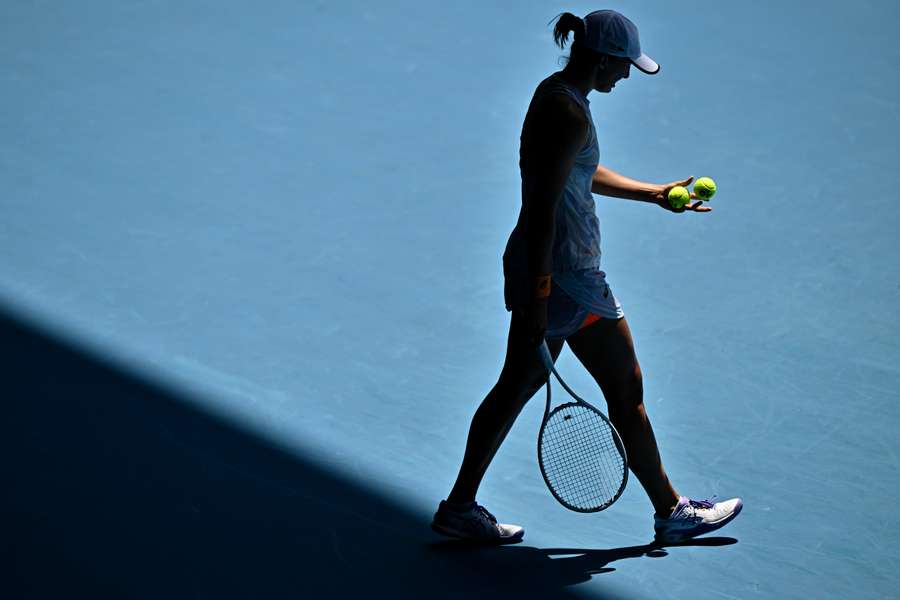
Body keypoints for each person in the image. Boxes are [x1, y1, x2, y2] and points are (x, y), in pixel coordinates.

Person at [431, 9, 742, 545]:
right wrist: (539, 292)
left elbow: (577, 169)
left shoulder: (560, 97)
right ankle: (671, 511)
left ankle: (459, 506)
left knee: (516, 387)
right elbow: (542, 207)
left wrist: (651, 193)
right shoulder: (567, 113)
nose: (625, 76)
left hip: (551, 270)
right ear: (601, 58)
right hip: (566, 275)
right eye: (623, 66)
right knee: (625, 388)